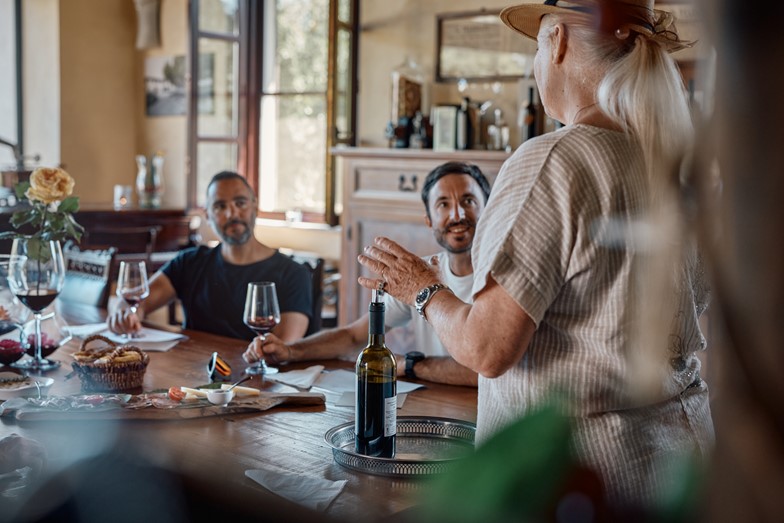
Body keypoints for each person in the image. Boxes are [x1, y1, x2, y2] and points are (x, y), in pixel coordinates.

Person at [355, 0, 713, 511]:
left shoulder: (552, 160)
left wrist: (420, 287)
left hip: (580, 485)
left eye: (538, 44)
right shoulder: (675, 167)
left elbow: (487, 349)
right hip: (683, 466)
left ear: (559, 42)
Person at [243, 162, 491, 387]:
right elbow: (353, 336)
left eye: (468, 201)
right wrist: (291, 351)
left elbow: (491, 367)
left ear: (489, 210)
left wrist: (412, 365)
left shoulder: (503, 279)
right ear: (428, 220)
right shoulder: (417, 275)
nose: (457, 215)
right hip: (435, 400)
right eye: (443, 204)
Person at [108, 171, 312, 342]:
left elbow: (283, 349)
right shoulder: (189, 263)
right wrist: (125, 312)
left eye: (240, 203)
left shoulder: (293, 274)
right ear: (208, 216)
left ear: (255, 207)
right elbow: (138, 301)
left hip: (254, 384)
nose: (232, 214)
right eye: (220, 206)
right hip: (191, 379)